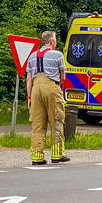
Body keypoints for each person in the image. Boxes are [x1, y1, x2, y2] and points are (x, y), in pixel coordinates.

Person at [25, 30, 68, 165]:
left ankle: (37, 157)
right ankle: (57, 154)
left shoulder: (32, 56)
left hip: (35, 90)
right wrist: (57, 87)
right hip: (51, 87)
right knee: (56, 121)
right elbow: (63, 77)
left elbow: (28, 80)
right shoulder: (57, 55)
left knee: (38, 124)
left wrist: (29, 97)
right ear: (51, 41)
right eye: (55, 40)